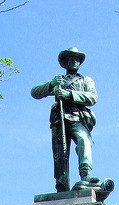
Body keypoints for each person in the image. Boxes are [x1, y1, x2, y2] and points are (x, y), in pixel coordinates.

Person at [31, 47, 98, 192]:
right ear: (65, 62)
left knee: (84, 141)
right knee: (60, 154)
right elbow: (34, 92)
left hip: (77, 118)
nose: (75, 61)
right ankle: (61, 185)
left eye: (77, 59)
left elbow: (93, 97)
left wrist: (69, 94)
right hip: (59, 120)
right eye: (72, 58)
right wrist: (51, 85)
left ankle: (86, 176)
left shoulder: (86, 80)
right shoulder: (58, 81)